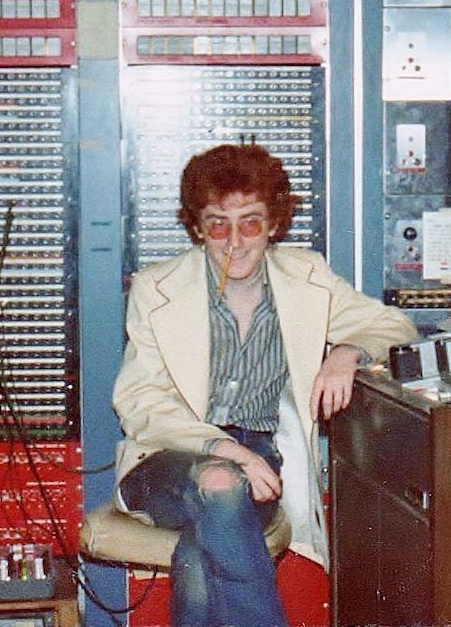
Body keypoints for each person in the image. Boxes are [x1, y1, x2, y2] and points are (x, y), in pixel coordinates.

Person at [112, 144, 417, 627]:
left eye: (250, 223)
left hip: (261, 457)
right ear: (197, 228)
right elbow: (139, 402)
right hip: (168, 455)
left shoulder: (307, 278)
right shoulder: (157, 288)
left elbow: (395, 326)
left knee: (199, 556)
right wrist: (226, 451)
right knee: (220, 481)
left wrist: (347, 351)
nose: (234, 241)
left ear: (274, 224)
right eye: (218, 224)